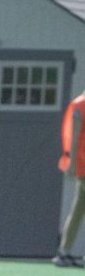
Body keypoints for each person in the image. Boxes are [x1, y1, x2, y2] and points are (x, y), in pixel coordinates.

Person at [54, 87, 85, 266]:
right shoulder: (81, 106)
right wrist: (72, 164)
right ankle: (63, 252)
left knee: (78, 209)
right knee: (78, 209)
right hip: (83, 164)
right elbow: (75, 137)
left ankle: (64, 251)